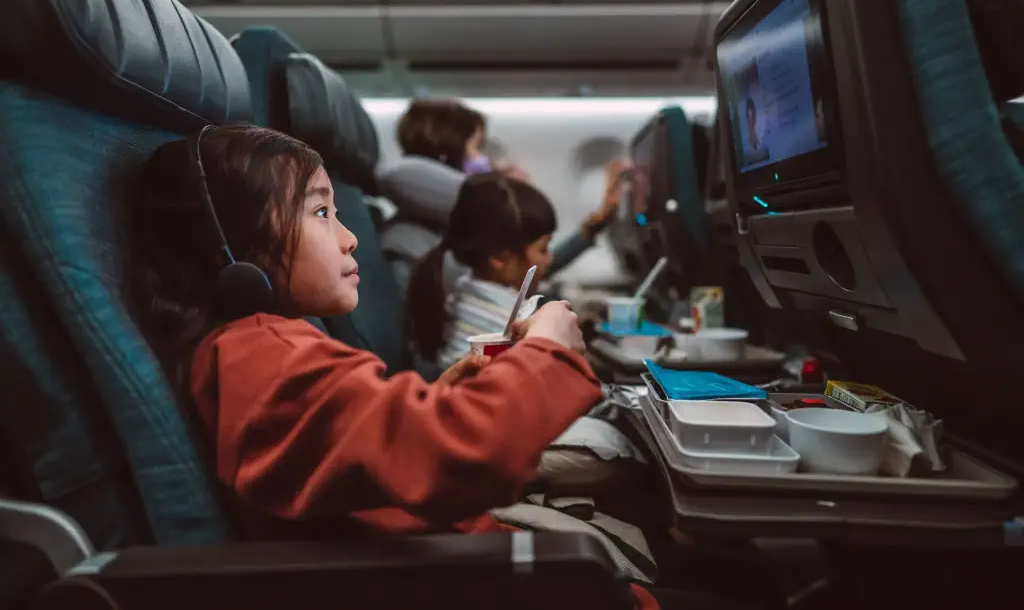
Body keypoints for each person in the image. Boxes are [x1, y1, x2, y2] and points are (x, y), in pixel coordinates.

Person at [128, 124, 664, 610]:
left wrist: (447, 393)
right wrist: (551, 352)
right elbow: (462, 457)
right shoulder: (260, 361)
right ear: (232, 244)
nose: (350, 235)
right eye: (320, 212)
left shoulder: (266, 347)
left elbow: (375, 441)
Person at [396, 99, 630, 277]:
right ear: (447, 155)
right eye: (477, 147)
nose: (485, 161)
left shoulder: (452, 225)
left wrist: (597, 222)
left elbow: (525, 268)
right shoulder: (412, 241)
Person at [408, 172, 557, 368]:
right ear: (499, 258)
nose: (550, 258)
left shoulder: (466, 290)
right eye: (543, 249)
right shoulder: (503, 321)